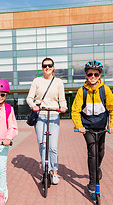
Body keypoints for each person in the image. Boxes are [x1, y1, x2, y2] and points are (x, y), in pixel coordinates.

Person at [71, 60, 113, 194]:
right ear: (86, 75)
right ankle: (92, 182)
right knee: (92, 152)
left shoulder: (105, 90)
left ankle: (96, 169)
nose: (93, 77)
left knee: (100, 152)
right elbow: (75, 110)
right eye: (90, 74)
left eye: (96, 74)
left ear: (99, 76)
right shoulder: (82, 91)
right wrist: (79, 125)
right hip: (87, 127)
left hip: (101, 126)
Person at [26, 57, 67, 185]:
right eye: (44, 66)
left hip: (54, 115)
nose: (47, 68)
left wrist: (63, 107)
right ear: (42, 68)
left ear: (53, 67)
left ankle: (54, 172)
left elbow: (62, 100)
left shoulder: (58, 82)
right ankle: (46, 171)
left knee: (53, 147)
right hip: (41, 116)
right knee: (43, 145)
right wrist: (33, 105)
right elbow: (29, 98)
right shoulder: (37, 81)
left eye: (49, 65)